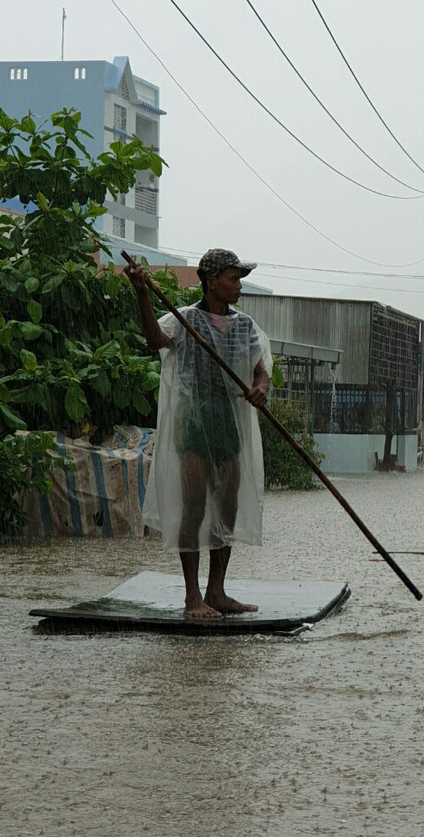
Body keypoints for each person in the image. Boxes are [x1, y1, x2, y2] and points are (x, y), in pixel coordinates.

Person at [125, 248, 273, 619]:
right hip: (194, 417)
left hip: (228, 419)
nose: (238, 285)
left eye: (239, 277)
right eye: (232, 278)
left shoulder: (244, 326)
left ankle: (217, 591)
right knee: (192, 505)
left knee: (228, 504)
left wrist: (261, 388)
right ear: (210, 281)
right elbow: (154, 337)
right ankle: (193, 596)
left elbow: (260, 369)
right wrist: (142, 293)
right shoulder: (185, 319)